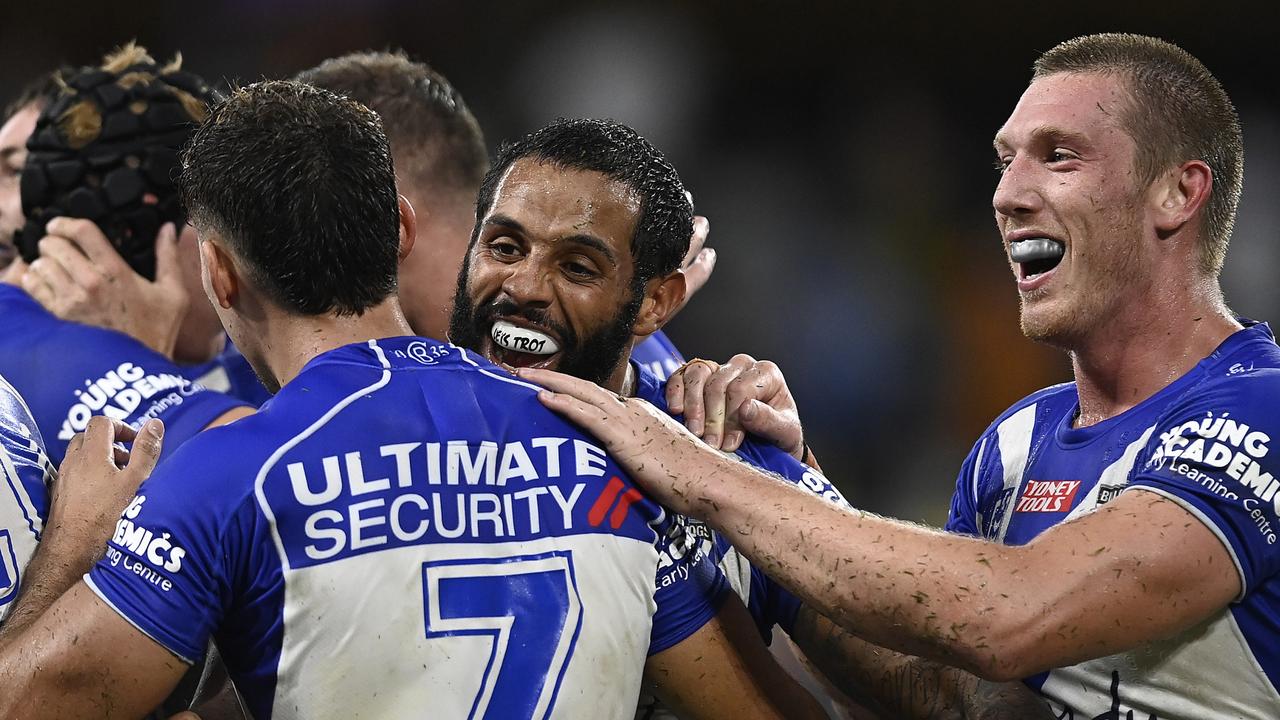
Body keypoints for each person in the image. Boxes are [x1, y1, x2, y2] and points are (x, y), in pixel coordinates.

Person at [0, 80, 823, 720]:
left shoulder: (229, 475)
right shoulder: (613, 453)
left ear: (217, 273)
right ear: (402, 230)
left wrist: (69, 551)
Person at [522, 32, 1278, 719]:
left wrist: (701, 478)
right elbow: (951, 694)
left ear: (1178, 193)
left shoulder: (1262, 408)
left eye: (1058, 155)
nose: (1007, 194)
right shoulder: (1014, 446)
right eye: (1004, 160)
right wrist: (777, 474)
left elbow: (1011, 613)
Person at [446, 116, 1050, 720]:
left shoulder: (718, 446)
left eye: (577, 268)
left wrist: (786, 475)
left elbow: (948, 694)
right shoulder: (376, 423)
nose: (523, 285)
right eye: (505, 247)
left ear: (656, 303)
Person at [0, 45, 253, 465]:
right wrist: (133, 365)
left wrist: (141, 363)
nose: (31, 208)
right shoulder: (14, 343)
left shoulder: (274, 355)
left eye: (18, 171)